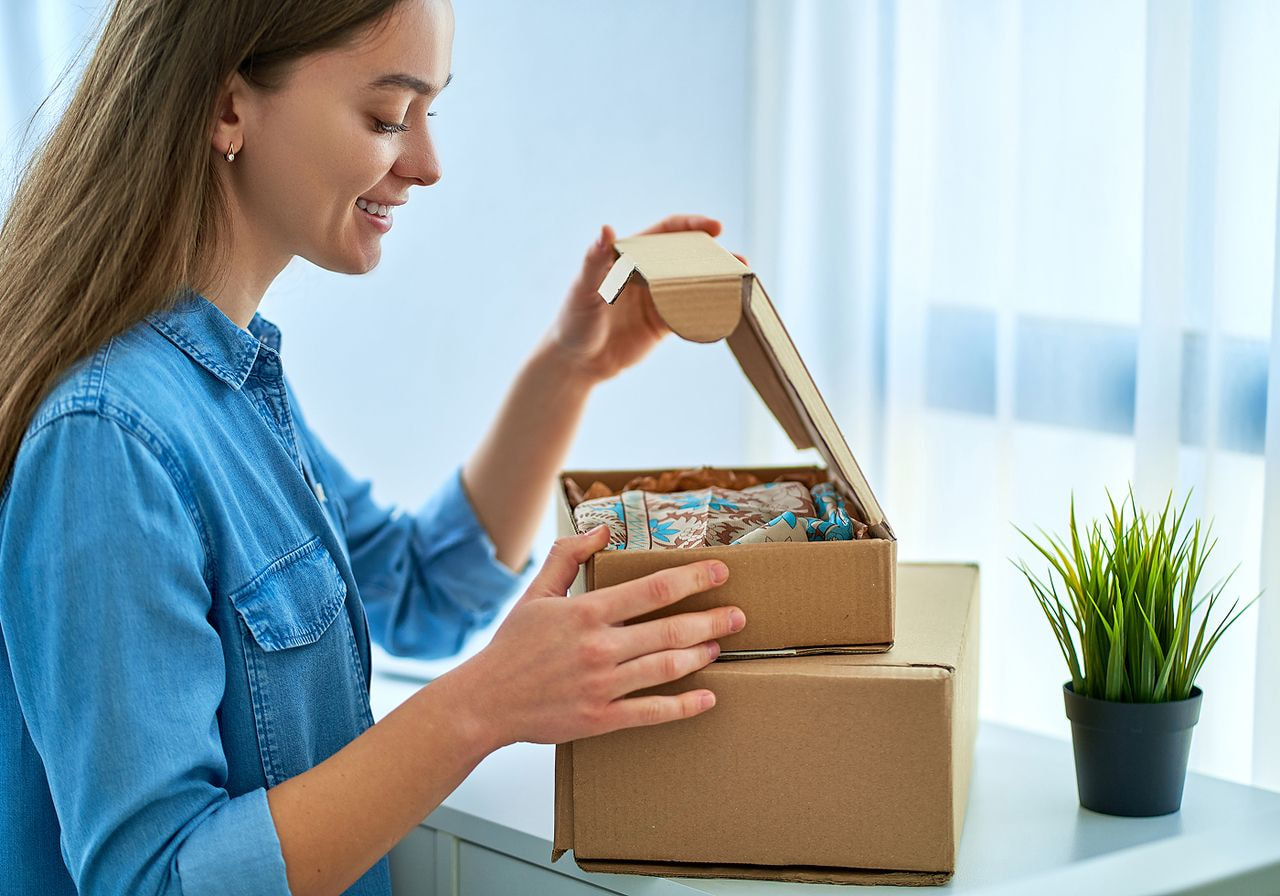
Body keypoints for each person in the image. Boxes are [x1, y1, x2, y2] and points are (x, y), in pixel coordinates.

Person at [0, 1, 748, 894]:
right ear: (228, 107)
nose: (428, 164)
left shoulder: (231, 386)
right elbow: (157, 881)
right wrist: (482, 706)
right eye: (390, 115)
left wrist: (570, 367)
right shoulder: (109, 442)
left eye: (431, 112)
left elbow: (420, 588)